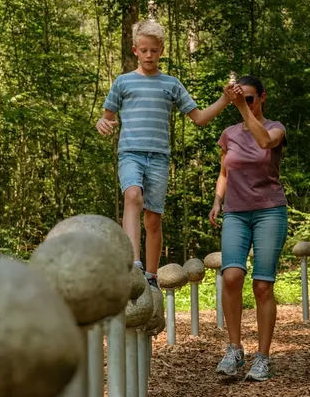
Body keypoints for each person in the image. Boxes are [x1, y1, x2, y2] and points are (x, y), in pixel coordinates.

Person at [96, 19, 230, 286]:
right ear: (135, 50)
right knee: (132, 195)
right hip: (131, 153)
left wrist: (226, 99)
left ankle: (152, 275)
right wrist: (102, 123)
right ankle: (134, 266)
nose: (148, 55)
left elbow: (200, 118)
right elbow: (106, 118)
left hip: (159, 158)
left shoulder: (171, 84)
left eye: (153, 51)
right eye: (143, 50)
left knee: (153, 219)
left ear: (162, 50)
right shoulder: (122, 83)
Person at [209, 75, 288, 382]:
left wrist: (243, 108)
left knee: (262, 285)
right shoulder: (228, 134)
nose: (247, 103)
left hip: (269, 211)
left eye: (251, 99)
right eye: (243, 99)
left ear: (262, 98)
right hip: (236, 213)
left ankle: (263, 357)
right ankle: (234, 349)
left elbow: (265, 142)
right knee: (231, 277)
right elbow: (225, 172)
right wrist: (218, 201)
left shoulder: (275, 128)